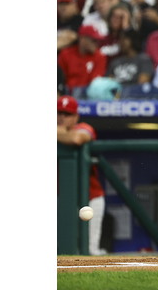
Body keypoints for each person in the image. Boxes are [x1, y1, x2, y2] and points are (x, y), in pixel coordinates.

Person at [57, 95, 107, 256]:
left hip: (90, 197)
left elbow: (77, 138)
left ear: (76, 117)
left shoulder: (85, 127)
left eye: (67, 114)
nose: (62, 117)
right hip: (61, 198)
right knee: (63, 249)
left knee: (90, 249)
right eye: (59, 113)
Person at [57, 25, 108, 92]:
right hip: (67, 93)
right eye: (94, 40)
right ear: (83, 39)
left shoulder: (100, 56)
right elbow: (59, 79)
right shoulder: (65, 54)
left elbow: (95, 83)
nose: (97, 44)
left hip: (88, 94)